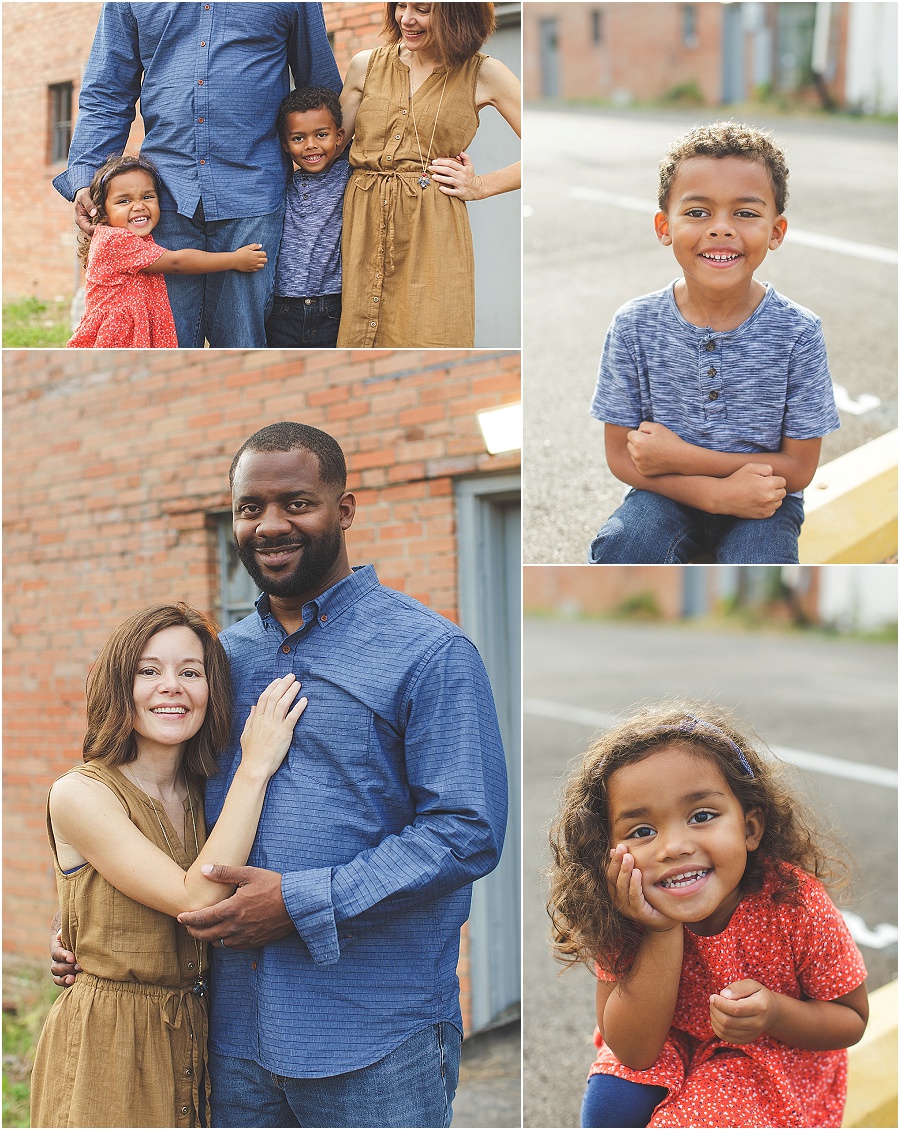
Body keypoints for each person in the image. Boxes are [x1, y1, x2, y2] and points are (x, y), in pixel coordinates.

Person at [53, 421, 508, 1129]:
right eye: (248, 508)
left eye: (296, 502)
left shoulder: (429, 652)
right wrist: (94, 925)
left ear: (344, 510)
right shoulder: (218, 661)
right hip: (229, 1039)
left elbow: (465, 832)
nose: (270, 525)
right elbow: (160, 806)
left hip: (373, 1035)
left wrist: (301, 900)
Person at [32, 603, 308, 1128]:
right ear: (120, 685)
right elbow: (194, 898)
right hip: (107, 1046)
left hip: (192, 1037)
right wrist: (256, 765)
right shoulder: (80, 792)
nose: (172, 686)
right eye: (148, 670)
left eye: (190, 672)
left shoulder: (204, 794)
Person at [547, 703, 868, 1129]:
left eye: (702, 816)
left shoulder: (795, 903)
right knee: (610, 1109)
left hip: (770, 1053)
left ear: (750, 829)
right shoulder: (624, 907)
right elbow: (635, 1051)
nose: (674, 846)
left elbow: (852, 1018)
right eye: (642, 831)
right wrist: (658, 930)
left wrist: (774, 1013)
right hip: (668, 1041)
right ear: (607, 850)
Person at [587, 122, 840, 564]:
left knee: (760, 569)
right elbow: (621, 456)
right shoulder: (634, 325)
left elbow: (799, 469)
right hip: (664, 494)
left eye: (745, 213)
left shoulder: (798, 333)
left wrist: (680, 455)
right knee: (626, 546)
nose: (721, 229)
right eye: (698, 212)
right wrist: (717, 495)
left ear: (776, 231)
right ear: (665, 226)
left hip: (765, 500)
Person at [53, 3, 341, 348]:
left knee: (241, 340)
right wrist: (86, 177)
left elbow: (320, 86)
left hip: (253, 191)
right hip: (164, 194)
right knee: (163, 339)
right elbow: (107, 92)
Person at [337, 1, 521, 348]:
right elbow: (329, 147)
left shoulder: (483, 73)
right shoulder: (366, 65)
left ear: (458, 13)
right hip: (361, 227)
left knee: (432, 335)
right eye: (401, 5)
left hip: (432, 233)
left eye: (422, 8)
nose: (407, 19)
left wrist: (481, 186)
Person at [68, 154, 268, 349]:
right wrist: (234, 260)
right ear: (102, 212)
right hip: (117, 337)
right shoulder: (114, 240)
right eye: (124, 201)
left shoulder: (136, 238)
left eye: (147, 197)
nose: (139, 206)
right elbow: (176, 263)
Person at [265, 88, 350, 349]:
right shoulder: (280, 182)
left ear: (339, 136)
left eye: (321, 135)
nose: (311, 145)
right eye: (299, 138)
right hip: (282, 308)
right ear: (284, 143)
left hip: (333, 305)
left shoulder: (349, 175)